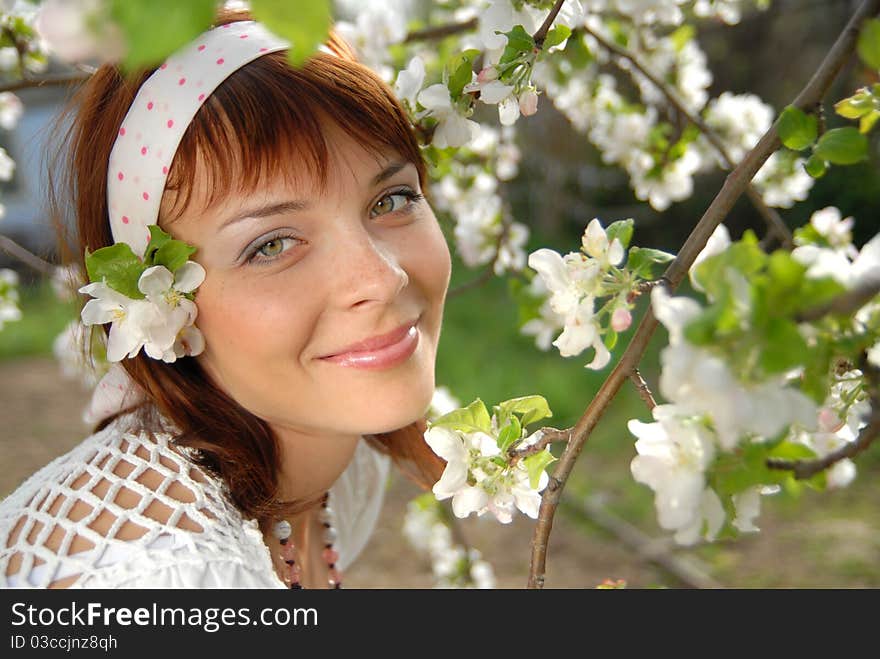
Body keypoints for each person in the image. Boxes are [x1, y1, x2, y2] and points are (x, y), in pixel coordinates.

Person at [0, 7, 451, 588]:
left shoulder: (340, 462)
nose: (381, 278)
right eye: (272, 244)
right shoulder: (156, 574)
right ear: (162, 307)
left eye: (390, 200)